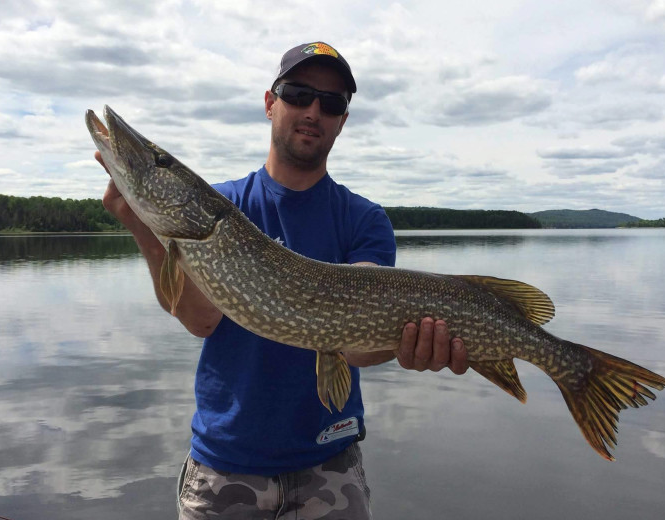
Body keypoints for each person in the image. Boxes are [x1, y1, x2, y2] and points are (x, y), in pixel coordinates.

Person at [96, 41, 468, 520]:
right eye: (298, 93)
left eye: (331, 103)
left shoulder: (364, 219)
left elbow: (354, 344)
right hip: (224, 467)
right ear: (270, 102)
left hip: (329, 466)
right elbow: (202, 321)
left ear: (342, 121)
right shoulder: (221, 206)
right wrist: (145, 228)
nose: (314, 110)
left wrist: (411, 342)